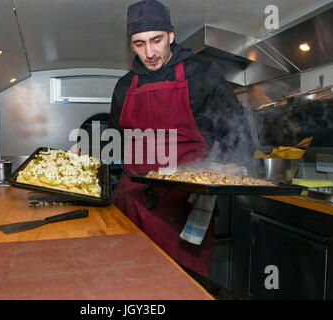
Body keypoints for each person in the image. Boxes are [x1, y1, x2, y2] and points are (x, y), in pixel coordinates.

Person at [108, 0, 254, 277]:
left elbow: (238, 133)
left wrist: (233, 163)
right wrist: (87, 151)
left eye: (156, 40)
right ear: (131, 45)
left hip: (184, 205)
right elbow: (114, 138)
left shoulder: (202, 75)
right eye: (139, 44)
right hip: (132, 202)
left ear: (171, 36)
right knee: (128, 283)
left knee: (182, 285)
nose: (149, 53)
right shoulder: (124, 86)